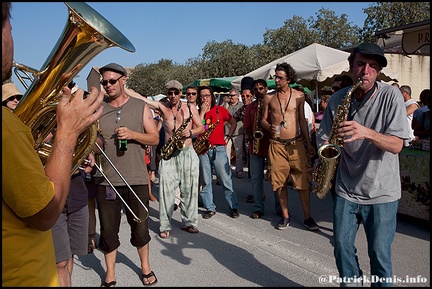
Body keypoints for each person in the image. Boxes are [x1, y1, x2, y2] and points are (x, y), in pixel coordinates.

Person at [2, 2, 104, 286]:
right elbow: (46, 213)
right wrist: (67, 134)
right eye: (9, 28)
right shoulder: (6, 130)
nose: (12, 37)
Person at [317, 43, 410, 286]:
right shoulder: (338, 99)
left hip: (382, 192)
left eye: (372, 66)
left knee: (379, 255)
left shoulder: (391, 96)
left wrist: (366, 132)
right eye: (360, 64)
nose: (365, 71)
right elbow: (325, 138)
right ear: (351, 67)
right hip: (346, 188)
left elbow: (397, 145)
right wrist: (322, 155)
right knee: (341, 248)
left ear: (378, 71)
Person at [95, 63, 159, 286]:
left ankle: (145, 267)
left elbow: (154, 138)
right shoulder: (99, 108)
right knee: (108, 231)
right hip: (107, 180)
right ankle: (110, 273)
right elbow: (95, 140)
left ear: (123, 80)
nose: (108, 85)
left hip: (136, 179)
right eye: (104, 82)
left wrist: (133, 134)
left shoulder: (140, 106)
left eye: (112, 81)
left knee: (140, 227)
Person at [126, 80, 204, 239]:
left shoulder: (190, 107)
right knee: (166, 190)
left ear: (181, 93)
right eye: (170, 93)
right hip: (169, 153)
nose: (173, 96)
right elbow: (141, 99)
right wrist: (123, 87)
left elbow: (201, 127)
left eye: (176, 92)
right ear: (167, 94)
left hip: (187, 151)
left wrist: (191, 133)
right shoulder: (162, 107)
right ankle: (165, 225)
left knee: (189, 189)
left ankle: (189, 222)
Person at [260, 62, 318, 231]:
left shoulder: (299, 96)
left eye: (280, 78)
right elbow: (263, 120)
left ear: (289, 79)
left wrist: (309, 144)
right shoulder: (269, 97)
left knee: (303, 182)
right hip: (277, 145)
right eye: (275, 77)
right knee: (279, 182)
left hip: (296, 143)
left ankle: (307, 217)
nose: (276, 80)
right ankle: (285, 216)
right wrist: (267, 126)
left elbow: (302, 120)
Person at [196, 85, 240, 219]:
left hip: (218, 149)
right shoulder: (197, 113)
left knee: (225, 179)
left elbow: (233, 122)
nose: (205, 98)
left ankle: (233, 206)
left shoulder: (220, 110)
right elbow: (197, 127)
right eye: (202, 96)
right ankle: (209, 207)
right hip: (203, 149)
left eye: (207, 96)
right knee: (206, 180)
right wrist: (202, 112)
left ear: (212, 96)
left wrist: (228, 136)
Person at [244, 78, 281, 219]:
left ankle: (279, 208)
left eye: (261, 88)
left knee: (275, 179)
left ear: (266, 89)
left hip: (272, 146)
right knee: (256, 179)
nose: (258, 91)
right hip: (256, 147)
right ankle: (259, 207)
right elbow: (247, 127)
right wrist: (251, 138)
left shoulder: (274, 104)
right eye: (256, 89)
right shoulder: (251, 107)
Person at [51, 170, 91, 286]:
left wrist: (90, 154)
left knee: (69, 254)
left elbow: (98, 151)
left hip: (77, 196)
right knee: (60, 262)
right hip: (53, 200)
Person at [225, 88, 245, 179]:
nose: (230, 97)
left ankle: (239, 171)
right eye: (229, 95)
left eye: (232, 95)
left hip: (238, 133)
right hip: (227, 132)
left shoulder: (242, 106)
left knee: (238, 153)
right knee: (226, 153)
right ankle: (226, 172)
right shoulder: (225, 105)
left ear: (237, 96)